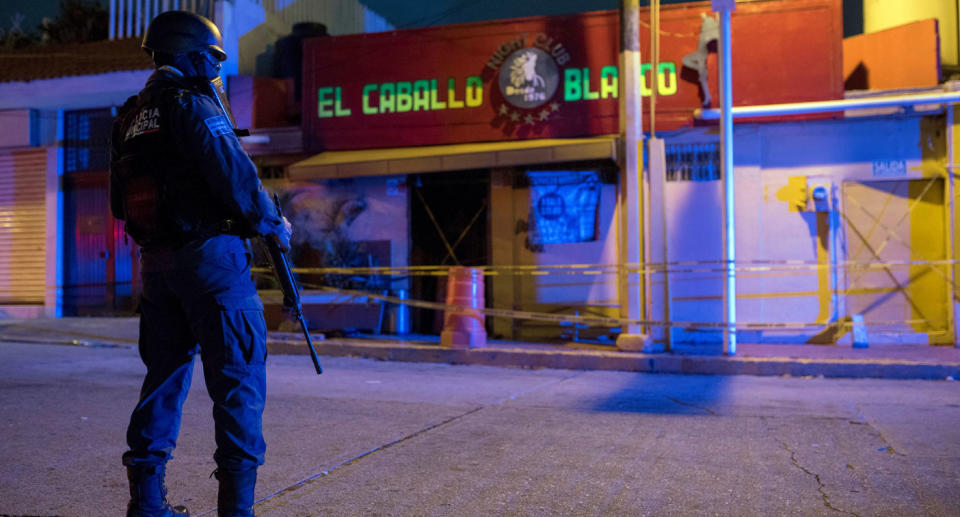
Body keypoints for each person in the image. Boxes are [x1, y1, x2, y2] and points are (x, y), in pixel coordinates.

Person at [110, 10, 291, 517]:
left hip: (157, 269)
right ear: (189, 55)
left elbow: (118, 206)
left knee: (162, 380)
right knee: (238, 384)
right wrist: (273, 223)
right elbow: (238, 181)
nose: (213, 69)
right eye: (210, 59)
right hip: (212, 266)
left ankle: (146, 505)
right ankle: (237, 510)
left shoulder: (128, 118)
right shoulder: (194, 105)